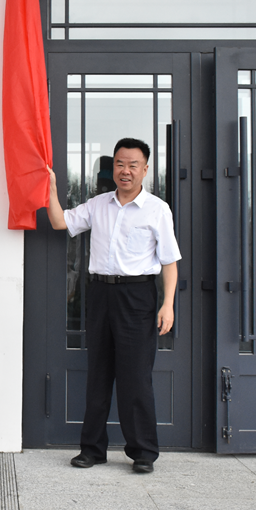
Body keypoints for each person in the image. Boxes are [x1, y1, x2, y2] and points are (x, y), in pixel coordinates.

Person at [45, 137, 181, 474]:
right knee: (99, 374)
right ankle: (92, 450)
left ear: (145, 170)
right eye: (120, 164)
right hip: (101, 294)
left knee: (136, 377)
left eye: (133, 165)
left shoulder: (157, 209)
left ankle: (143, 452)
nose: (125, 171)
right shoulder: (98, 205)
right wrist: (50, 188)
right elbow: (61, 222)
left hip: (137, 297)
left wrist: (168, 305)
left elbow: (169, 262)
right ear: (113, 168)